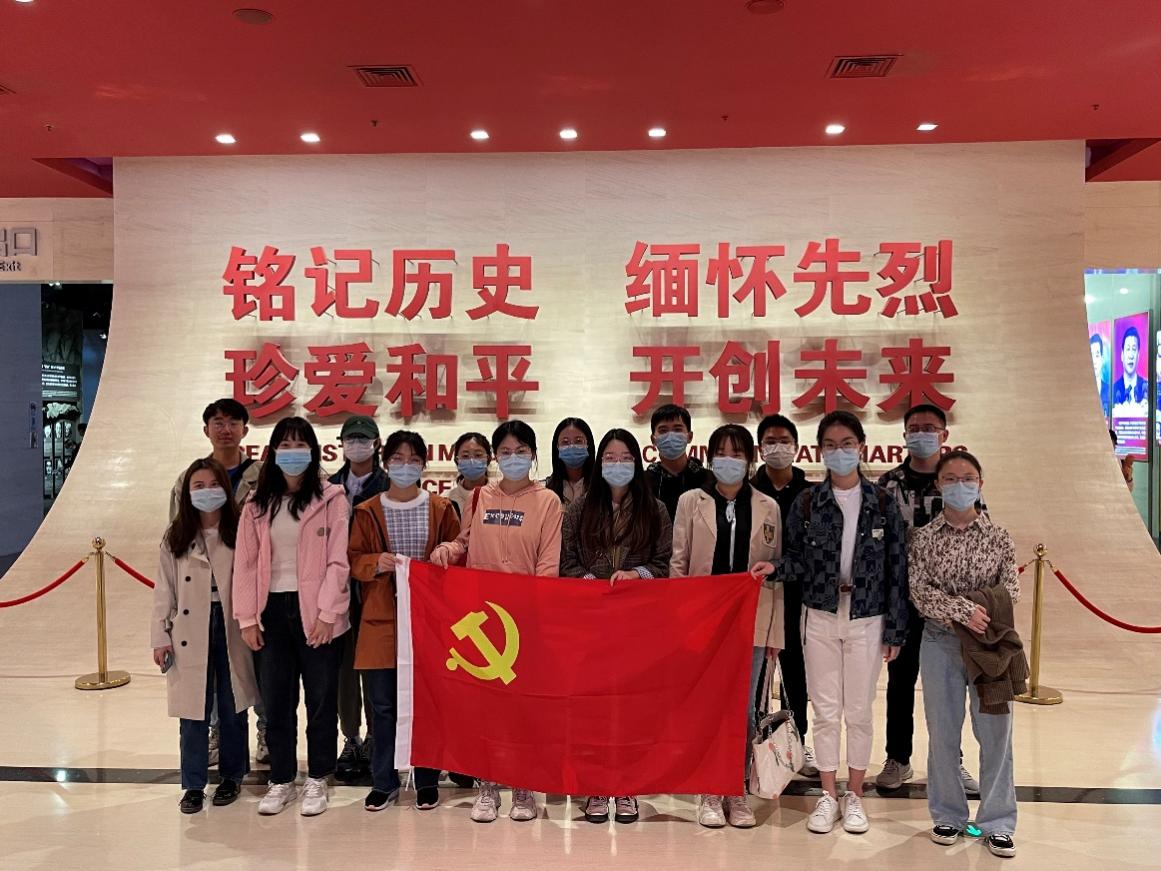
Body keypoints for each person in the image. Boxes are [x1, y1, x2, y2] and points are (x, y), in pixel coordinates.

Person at [431, 420, 564, 823]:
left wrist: (536, 609)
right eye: (505, 451)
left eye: (520, 451)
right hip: (483, 616)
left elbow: (549, 563)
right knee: (485, 706)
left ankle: (523, 787)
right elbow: (466, 541)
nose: (513, 458)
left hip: (526, 618)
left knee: (523, 708)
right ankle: (487, 785)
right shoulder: (481, 496)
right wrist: (449, 549)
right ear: (495, 457)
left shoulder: (548, 501)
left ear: (533, 455)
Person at [782, 411, 908, 836]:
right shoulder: (807, 502)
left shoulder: (883, 502)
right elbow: (795, 559)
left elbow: (897, 569)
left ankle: (854, 794)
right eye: (831, 445)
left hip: (867, 618)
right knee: (824, 711)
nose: (839, 452)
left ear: (861, 447)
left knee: (858, 710)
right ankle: (827, 794)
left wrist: (895, 629)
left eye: (847, 444)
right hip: (818, 616)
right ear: (820, 451)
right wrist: (772, 569)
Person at [234, 416, 351, 817]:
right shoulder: (256, 503)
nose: (293, 452)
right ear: (273, 453)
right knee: (277, 700)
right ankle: (281, 778)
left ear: (313, 451)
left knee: (321, 700)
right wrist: (247, 617)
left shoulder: (332, 498)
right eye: (285, 445)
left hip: (316, 611)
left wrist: (327, 613)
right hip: (271, 611)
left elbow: (338, 561)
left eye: (301, 445)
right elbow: (246, 563)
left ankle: (318, 777)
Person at [909, 450, 1020, 859]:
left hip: (990, 645)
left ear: (980, 484)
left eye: (968, 478)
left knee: (996, 732)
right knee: (942, 731)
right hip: (939, 644)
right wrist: (961, 611)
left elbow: (1010, 590)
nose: (960, 485)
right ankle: (948, 814)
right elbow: (920, 592)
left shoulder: (999, 537)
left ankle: (997, 821)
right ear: (939, 484)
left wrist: (978, 614)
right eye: (951, 478)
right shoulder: (923, 539)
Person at [560, 428, 673, 825]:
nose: (617, 464)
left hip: (636, 623)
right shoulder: (579, 509)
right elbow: (566, 563)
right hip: (590, 622)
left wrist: (636, 575)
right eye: (610, 458)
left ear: (637, 463)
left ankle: (627, 786)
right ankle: (595, 786)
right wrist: (592, 584)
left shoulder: (654, 509)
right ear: (599, 463)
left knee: (631, 705)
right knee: (592, 705)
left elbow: (663, 564)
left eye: (625, 458)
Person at [670, 423, 781, 830]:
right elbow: (679, 564)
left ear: (750, 459)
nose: (729, 460)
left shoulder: (768, 506)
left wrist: (774, 635)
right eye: (721, 452)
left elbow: (775, 573)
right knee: (707, 705)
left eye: (737, 453)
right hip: (703, 621)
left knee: (743, 709)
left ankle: (735, 788)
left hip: (750, 621)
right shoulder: (690, 501)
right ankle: (708, 790)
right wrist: (681, 621)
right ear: (710, 457)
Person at [348, 430, 461, 811]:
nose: (405, 465)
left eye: (413, 459)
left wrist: (446, 553)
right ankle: (384, 781)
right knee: (382, 706)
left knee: (427, 702)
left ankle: (427, 779)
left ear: (424, 465)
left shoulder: (441, 508)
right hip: (381, 620)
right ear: (385, 463)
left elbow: (458, 555)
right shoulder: (367, 510)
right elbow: (353, 560)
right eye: (397, 458)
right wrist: (374, 562)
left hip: (428, 621)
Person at [875, 404, 979, 796]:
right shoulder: (888, 484)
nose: (921, 434)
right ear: (904, 436)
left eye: (929, 428)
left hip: (948, 604)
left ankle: (951, 763)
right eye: (914, 428)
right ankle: (897, 758)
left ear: (944, 435)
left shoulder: (956, 479)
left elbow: (978, 536)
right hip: (902, 601)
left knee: (949, 687)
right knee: (900, 683)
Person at [152, 458, 259, 814]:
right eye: (198, 486)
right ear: (187, 493)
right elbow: (163, 590)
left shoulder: (240, 530)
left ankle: (232, 777)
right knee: (193, 712)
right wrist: (160, 636)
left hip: (231, 625)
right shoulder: (176, 536)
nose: (206, 492)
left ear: (225, 490)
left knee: (233, 706)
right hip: (189, 628)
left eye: (213, 485)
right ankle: (194, 784)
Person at [168, 398, 267, 767]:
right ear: (206, 429)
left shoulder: (263, 475)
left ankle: (265, 731)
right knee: (209, 670)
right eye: (218, 422)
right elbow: (177, 537)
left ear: (245, 428)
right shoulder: (188, 479)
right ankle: (216, 733)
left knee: (255, 670)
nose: (226, 429)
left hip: (254, 593)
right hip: (204, 595)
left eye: (233, 422)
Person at [749, 413, 817, 777]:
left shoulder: (811, 495)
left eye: (784, 441)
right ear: (760, 449)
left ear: (796, 447)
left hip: (798, 598)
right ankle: (756, 748)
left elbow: (812, 552)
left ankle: (798, 743)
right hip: (758, 597)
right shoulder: (749, 491)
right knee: (757, 678)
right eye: (770, 441)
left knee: (796, 674)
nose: (777, 448)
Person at [328, 415, 386, 781]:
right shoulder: (328, 487)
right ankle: (350, 737)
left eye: (364, 439)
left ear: (377, 443)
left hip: (375, 591)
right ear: (341, 443)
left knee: (376, 670)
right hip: (337, 594)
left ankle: (377, 737)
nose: (357, 445)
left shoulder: (389, 486)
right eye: (351, 439)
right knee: (344, 672)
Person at [645, 403, 710, 520]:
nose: (670, 436)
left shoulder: (708, 480)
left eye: (677, 429)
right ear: (653, 439)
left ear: (689, 436)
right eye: (663, 430)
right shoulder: (643, 483)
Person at [543, 417, 595, 509]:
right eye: (565, 442)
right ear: (557, 447)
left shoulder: (601, 487)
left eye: (578, 441)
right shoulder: (546, 489)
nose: (572, 446)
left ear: (588, 444)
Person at [448, 431, 492, 518]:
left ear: (488, 458)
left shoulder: (500, 497)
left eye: (478, 455)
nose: (472, 461)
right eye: (465, 456)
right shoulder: (447, 499)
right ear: (457, 460)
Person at [1112, 326, 1148, 412]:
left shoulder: (1147, 387)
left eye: (1134, 349)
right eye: (1128, 349)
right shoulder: (1113, 389)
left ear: (1138, 355)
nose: (1131, 356)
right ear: (1122, 355)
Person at [1090, 333, 1110, 420]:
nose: (1094, 361)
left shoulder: (1109, 391)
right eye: (1091, 356)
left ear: (1101, 359)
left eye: (1097, 355)